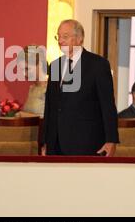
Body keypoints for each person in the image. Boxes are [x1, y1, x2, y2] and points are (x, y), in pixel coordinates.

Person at [41, 19, 119, 156]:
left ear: (79, 39)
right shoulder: (54, 66)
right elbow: (50, 107)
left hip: (86, 143)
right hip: (55, 145)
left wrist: (111, 140)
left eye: (65, 36)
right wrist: (45, 142)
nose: (60, 41)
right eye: (58, 37)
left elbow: (108, 106)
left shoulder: (98, 65)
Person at [17, 45, 48, 118]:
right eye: (22, 70)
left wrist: (24, 115)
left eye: (27, 69)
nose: (24, 74)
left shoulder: (51, 87)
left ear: (39, 64)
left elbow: (51, 118)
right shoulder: (32, 88)